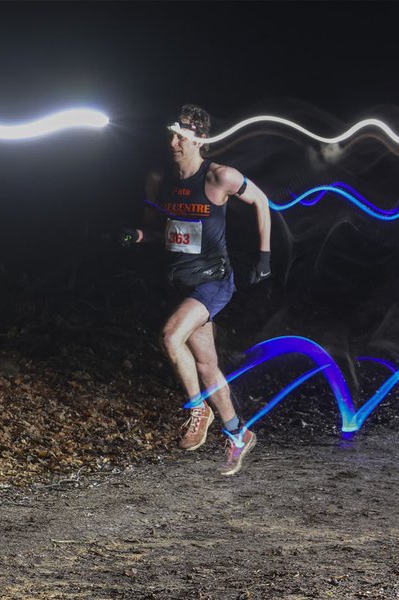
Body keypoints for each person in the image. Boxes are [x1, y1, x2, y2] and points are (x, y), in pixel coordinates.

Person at [126, 104, 272, 475]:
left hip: (214, 280)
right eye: (171, 134)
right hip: (181, 282)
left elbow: (262, 202)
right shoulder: (159, 178)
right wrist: (139, 236)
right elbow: (161, 232)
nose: (173, 141)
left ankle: (197, 408)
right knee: (207, 365)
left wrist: (264, 255)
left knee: (170, 336)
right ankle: (239, 433)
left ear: (200, 139)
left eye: (181, 135)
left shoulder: (220, 177)